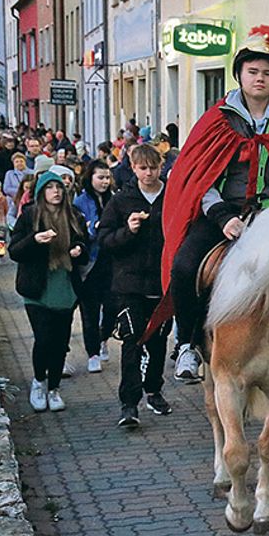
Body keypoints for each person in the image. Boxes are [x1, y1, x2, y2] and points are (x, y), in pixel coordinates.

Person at [157, 24, 269, 383]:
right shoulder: (216, 119)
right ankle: (188, 343)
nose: (260, 79)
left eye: (267, 73)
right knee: (186, 266)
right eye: (253, 72)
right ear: (239, 74)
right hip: (221, 212)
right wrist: (222, 218)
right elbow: (196, 179)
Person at [98, 144, 174, 427]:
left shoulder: (171, 196)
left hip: (163, 281)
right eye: (143, 168)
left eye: (154, 167)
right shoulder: (121, 200)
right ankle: (129, 404)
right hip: (129, 284)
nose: (149, 173)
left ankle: (153, 389)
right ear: (133, 168)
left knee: (158, 342)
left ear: (161, 166)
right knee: (131, 341)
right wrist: (127, 231)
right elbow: (105, 239)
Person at [7, 171, 89, 413]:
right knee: (43, 339)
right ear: (42, 191)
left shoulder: (73, 215)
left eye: (59, 187)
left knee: (60, 341)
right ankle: (38, 383)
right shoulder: (30, 215)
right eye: (50, 187)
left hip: (65, 287)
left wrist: (78, 250)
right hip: (37, 288)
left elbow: (85, 247)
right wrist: (35, 240)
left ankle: (54, 388)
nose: (56, 191)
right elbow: (15, 251)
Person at [73, 160, 115, 373]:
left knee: (112, 309)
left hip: (111, 262)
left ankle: (104, 337)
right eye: (100, 177)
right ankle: (93, 353)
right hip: (89, 264)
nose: (105, 182)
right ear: (90, 178)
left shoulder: (114, 199)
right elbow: (77, 231)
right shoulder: (80, 201)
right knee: (89, 312)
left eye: (107, 177)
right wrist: (92, 228)